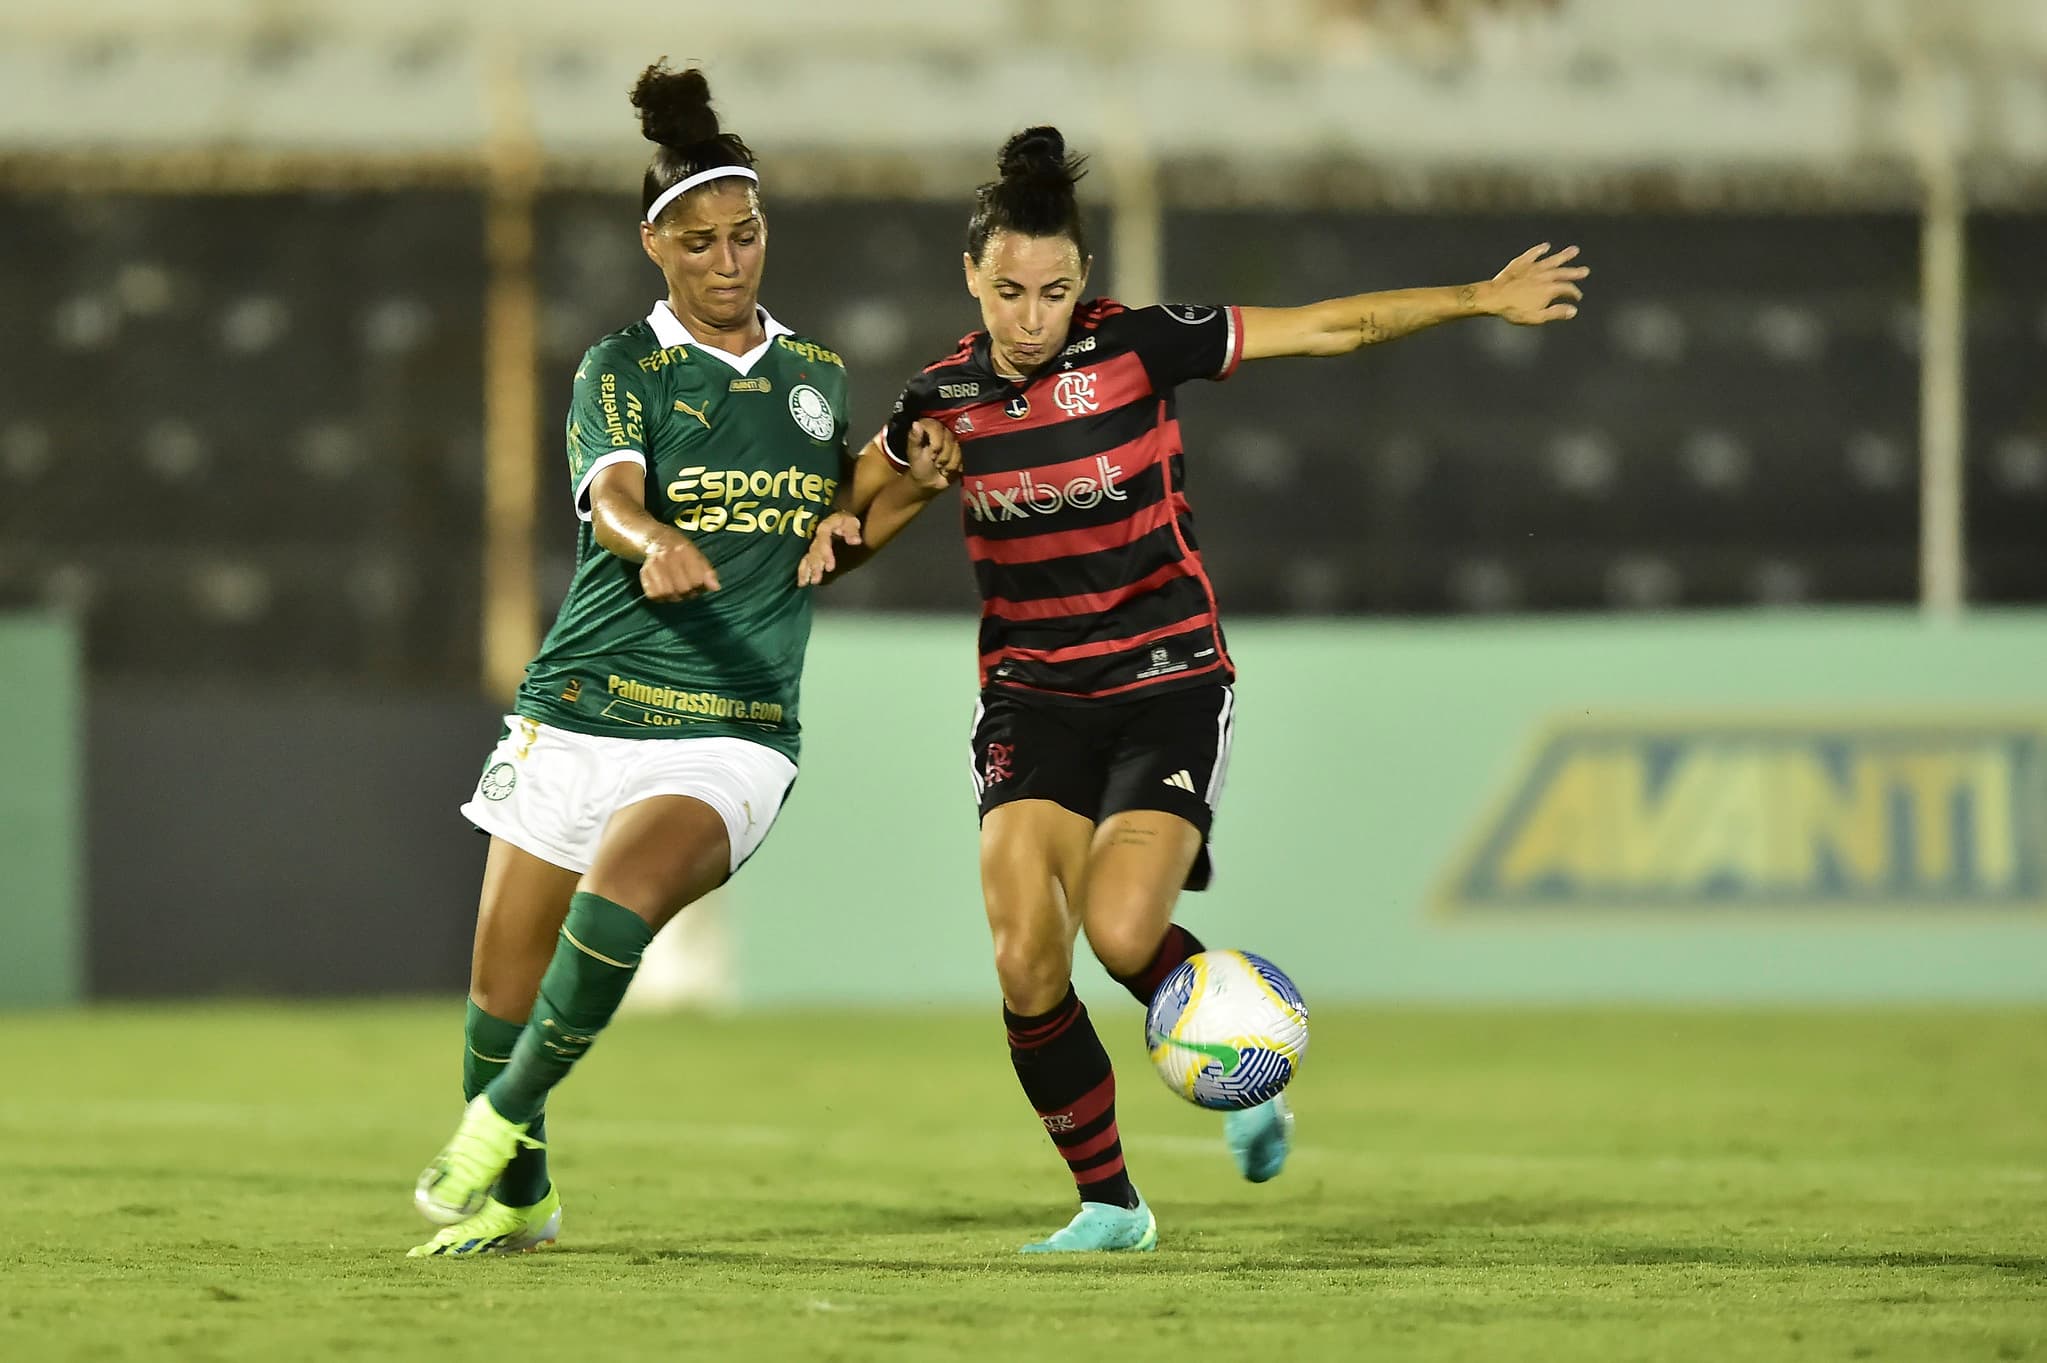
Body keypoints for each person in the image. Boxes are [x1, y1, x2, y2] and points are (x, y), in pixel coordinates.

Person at [802, 126, 1587, 1253]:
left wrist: (1481, 297)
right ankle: (1111, 1205)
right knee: (1026, 953)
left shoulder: (1139, 346)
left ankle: (1247, 1071)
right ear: (972, 278)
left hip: (1167, 674)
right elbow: (851, 531)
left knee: (1124, 934)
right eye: (1012, 291)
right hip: (1031, 693)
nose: (1035, 316)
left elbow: (1330, 327)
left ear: (1086, 284)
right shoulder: (939, 399)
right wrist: (898, 497)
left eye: (1057, 291)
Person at [408, 61, 956, 1256]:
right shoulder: (622, 368)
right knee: (499, 996)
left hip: (731, 723)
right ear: (655, 244)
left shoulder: (813, 382)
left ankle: (495, 1124)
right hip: (581, 705)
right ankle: (523, 1192)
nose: (727, 260)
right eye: (700, 241)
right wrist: (648, 535)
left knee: (621, 899)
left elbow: (831, 539)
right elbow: (607, 498)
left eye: (745, 235)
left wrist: (907, 483)